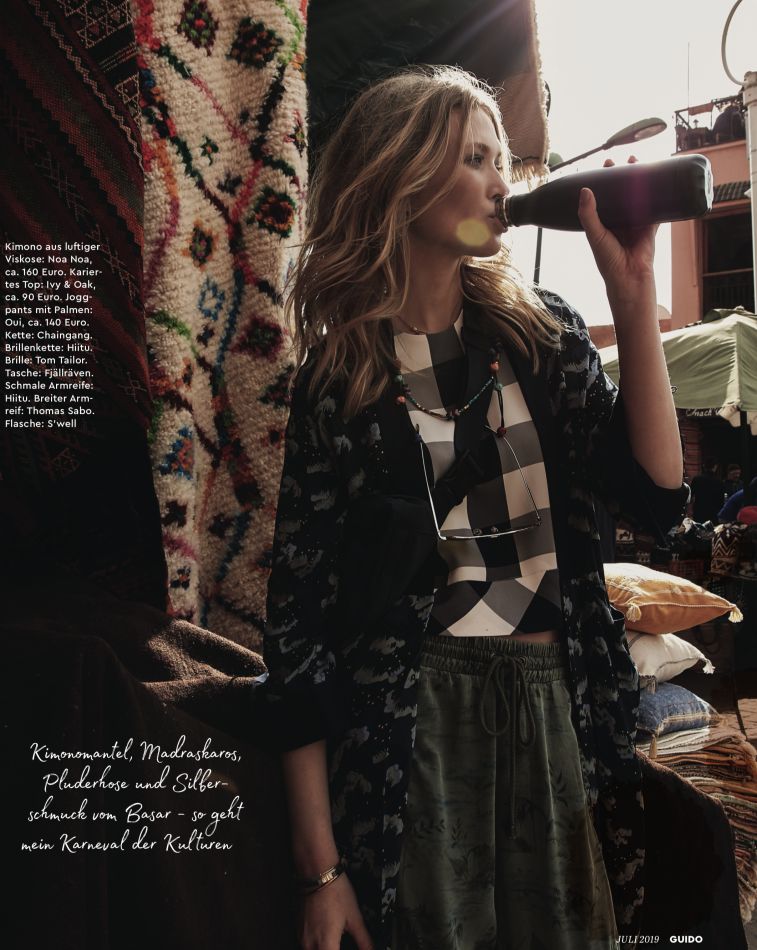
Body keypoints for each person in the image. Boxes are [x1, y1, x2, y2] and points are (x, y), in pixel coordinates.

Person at [258, 66, 688, 950]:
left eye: (502, 158)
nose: (503, 183)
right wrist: (321, 874)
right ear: (400, 176)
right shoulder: (339, 383)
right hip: (412, 732)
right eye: (475, 158)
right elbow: (298, 638)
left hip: (557, 707)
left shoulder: (540, 335)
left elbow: (655, 494)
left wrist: (632, 295)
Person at [690, 457, 725, 523]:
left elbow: (690, 496)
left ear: (704, 466)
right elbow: (721, 501)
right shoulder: (719, 482)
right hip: (713, 513)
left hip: (699, 511)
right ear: (715, 467)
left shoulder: (697, 479)